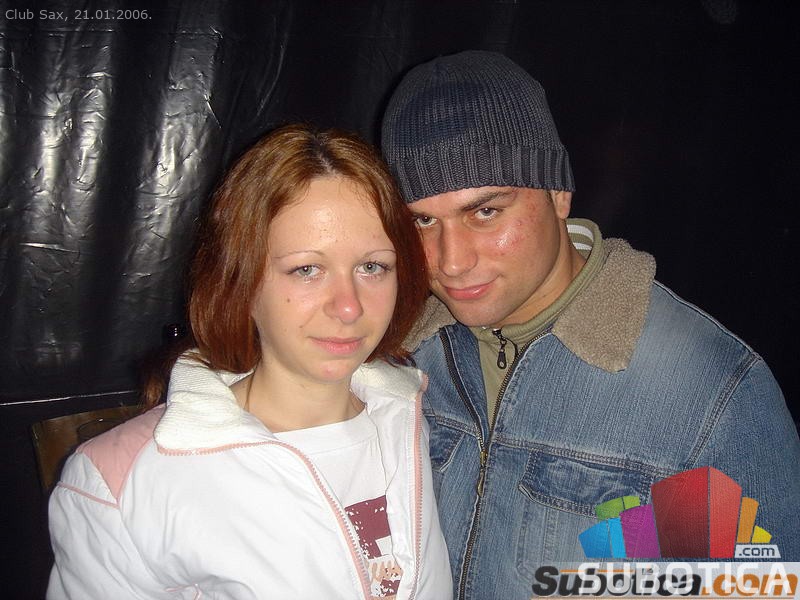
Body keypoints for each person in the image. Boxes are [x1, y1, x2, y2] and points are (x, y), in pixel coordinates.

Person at [381, 50, 800, 598]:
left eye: (485, 211)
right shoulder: (400, 357)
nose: (451, 261)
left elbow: (759, 587)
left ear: (559, 192)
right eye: (421, 221)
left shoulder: (705, 393)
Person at [47, 124, 452, 599]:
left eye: (372, 267)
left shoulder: (417, 420)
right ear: (241, 282)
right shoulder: (121, 484)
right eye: (307, 269)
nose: (348, 307)